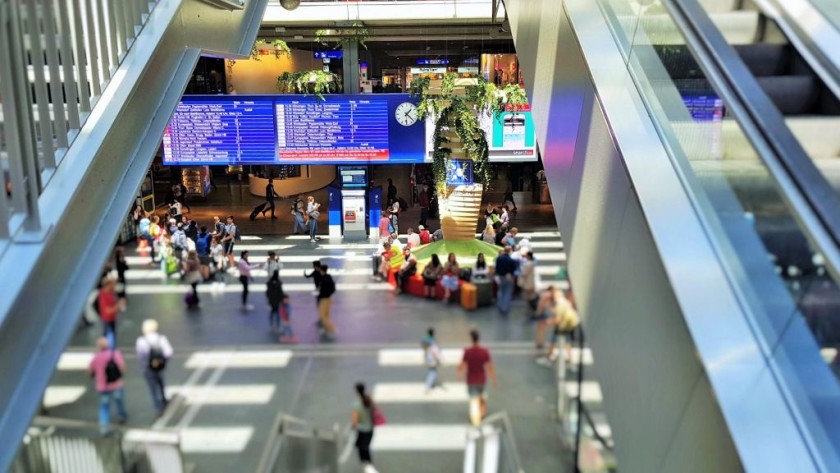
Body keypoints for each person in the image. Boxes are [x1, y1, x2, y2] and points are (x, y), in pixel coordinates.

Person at [89, 337, 127, 435]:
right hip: (116, 384)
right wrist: (120, 375)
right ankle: (121, 416)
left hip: (102, 386)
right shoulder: (115, 354)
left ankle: (104, 428)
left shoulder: (96, 357)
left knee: (104, 407)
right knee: (119, 401)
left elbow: (89, 370)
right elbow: (122, 367)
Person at [135, 319, 173, 417]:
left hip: (148, 368)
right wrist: (163, 361)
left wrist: (145, 363)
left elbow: (140, 356)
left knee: (152, 388)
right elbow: (168, 352)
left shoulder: (141, 341)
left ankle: (158, 407)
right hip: (160, 366)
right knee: (161, 382)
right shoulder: (161, 338)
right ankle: (164, 399)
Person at [458, 330, 496, 425]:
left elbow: (462, 365)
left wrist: (459, 375)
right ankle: (482, 413)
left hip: (471, 380)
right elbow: (490, 367)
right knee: (481, 396)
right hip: (481, 379)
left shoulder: (467, 352)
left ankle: (475, 419)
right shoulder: (484, 352)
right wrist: (493, 379)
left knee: (473, 399)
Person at [351, 383, 379, 473]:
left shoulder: (356, 404)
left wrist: (353, 426)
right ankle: (368, 465)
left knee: (361, 448)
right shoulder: (369, 400)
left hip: (362, 430)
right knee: (366, 447)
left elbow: (355, 420)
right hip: (370, 428)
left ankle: (367, 465)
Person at [534, 285, 560, 351]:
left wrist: (538, 313)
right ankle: (540, 342)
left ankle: (540, 342)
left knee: (540, 329)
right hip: (546, 313)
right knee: (541, 328)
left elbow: (541, 304)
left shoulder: (546, 295)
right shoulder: (549, 295)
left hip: (544, 313)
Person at [494, 246, 518, 315]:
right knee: (507, 292)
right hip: (509, 277)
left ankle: (500, 305)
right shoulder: (511, 260)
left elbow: (497, 268)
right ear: (510, 251)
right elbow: (513, 269)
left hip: (501, 276)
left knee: (501, 290)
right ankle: (504, 307)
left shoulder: (499, 258)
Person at [317, 264, 337, 341]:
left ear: (322, 271)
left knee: (322, 315)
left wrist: (320, 291)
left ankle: (331, 329)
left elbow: (322, 289)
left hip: (324, 299)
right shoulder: (329, 277)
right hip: (329, 299)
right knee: (326, 315)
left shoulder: (323, 279)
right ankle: (327, 329)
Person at [98, 277, 119, 347]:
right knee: (107, 334)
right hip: (107, 318)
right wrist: (118, 306)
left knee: (111, 333)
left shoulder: (111, 293)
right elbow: (108, 310)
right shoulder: (103, 295)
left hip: (112, 318)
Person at [518, 251, 537, 317]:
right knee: (530, 295)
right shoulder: (532, 263)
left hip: (527, 282)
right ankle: (531, 309)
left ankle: (530, 309)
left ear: (528, 256)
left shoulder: (527, 264)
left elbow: (524, 274)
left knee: (528, 296)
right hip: (531, 281)